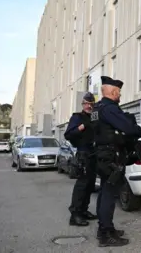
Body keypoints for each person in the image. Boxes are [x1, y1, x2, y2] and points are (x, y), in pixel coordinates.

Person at [91, 76, 141, 247]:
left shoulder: (96, 109)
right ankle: (106, 234)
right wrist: (139, 130)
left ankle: (105, 228)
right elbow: (128, 128)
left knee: (104, 193)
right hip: (111, 157)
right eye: (119, 92)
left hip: (101, 155)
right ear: (113, 91)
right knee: (109, 194)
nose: (120, 95)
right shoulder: (110, 108)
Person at [64, 92, 98, 227]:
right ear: (82, 104)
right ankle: (75, 215)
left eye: (91, 104)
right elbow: (68, 134)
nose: (88, 106)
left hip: (94, 154)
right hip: (83, 154)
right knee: (82, 185)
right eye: (86, 104)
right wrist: (81, 127)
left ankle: (84, 210)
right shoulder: (77, 117)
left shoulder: (95, 118)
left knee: (90, 185)